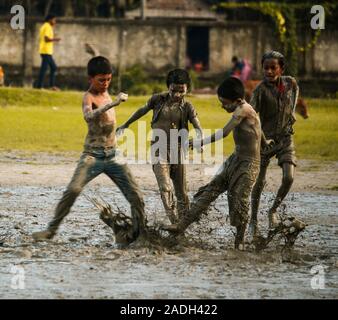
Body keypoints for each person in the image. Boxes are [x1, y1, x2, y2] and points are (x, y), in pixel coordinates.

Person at [32, 56, 145, 243]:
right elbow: (88, 116)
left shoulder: (107, 92)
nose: (106, 83)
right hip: (93, 155)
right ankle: (50, 231)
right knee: (73, 189)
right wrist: (112, 104)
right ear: (90, 79)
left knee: (136, 195)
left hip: (113, 154)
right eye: (101, 80)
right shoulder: (89, 97)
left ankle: (139, 234)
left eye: (109, 79)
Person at [164, 77, 272, 250]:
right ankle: (180, 226)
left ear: (237, 101)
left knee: (239, 201)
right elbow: (258, 127)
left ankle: (240, 242)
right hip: (234, 160)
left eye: (224, 103)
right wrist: (266, 143)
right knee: (210, 190)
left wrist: (200, 143)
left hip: (249, 165)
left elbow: (224, 133)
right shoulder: (248, 110)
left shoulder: (242, 110)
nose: (223, 107)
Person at [117, 69, 203, 224]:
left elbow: (198, 127)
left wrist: (200, 141)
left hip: (178, 150)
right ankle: (175, 222)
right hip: (158, 149)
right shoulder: (157, 100)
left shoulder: (188, 107)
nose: (177, 94)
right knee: (165, 188)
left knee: (182, 192)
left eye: (181, 91)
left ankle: (184, 224)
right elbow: (141, 111)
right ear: (168, 86)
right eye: (173, 90)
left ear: (187, 89)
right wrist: (126, 124)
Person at [249, 51, 299, 237]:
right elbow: (252, 117)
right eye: (265, 68)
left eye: (273, 68)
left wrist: (292, 111)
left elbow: (295, 91)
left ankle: (273, 210)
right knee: (259, 181)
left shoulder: (290, 83)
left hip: (286, 138)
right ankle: (253, 220)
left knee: (289, 178)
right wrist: (262, 138)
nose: (269, 71)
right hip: (265, 140)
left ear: (281, 68)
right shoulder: (259, 91)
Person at [36, 14, 61, 90]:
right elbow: (46, 39)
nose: (55, 22)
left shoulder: (45, 26)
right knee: (45, 69)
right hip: (45, 51)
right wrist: (55, 39)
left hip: (46, 51)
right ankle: (40, 86)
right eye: (54, 20)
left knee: (53, 68)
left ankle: (51, 86)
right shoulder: (47, 26)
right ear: (50, 19)